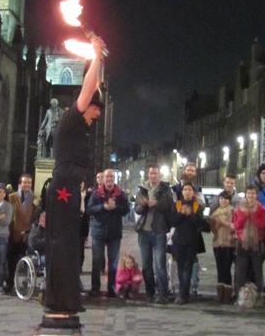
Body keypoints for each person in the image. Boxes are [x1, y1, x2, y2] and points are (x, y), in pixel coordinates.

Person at [44, 34, 105, 315]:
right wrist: (95, 55)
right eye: (96, 109)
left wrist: (98, 59)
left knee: (70, 245)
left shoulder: (79, 126)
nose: (97, 115)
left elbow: (95, 85)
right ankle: (60, 298)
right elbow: (90, 86)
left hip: (69, 187)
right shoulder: (71, 119)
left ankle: (66, 297)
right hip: (62, 187)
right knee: (64, 245)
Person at [87, 168, 130, 297]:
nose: (109, 179)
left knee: (113, 261)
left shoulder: (121, 194)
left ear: (114, 179)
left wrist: (115, 207)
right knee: (96, 260)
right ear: (103, 179)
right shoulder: (96, 194)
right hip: (99, 232)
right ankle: (95, 288)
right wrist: (103, 207)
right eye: (107, 177)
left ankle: (111, 288)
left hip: (114, 232)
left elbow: (126, 210)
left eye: (111, 177)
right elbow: (90, 209)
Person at [134, 165, 174, 304]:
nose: (153, 176)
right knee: (146, 264)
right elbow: (137, 209)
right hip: (144, 231)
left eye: (155, 173)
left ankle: (162, 292)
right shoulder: (142, 190)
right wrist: (144, 205)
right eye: (151, 173)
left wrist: (156, 203)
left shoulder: (165, 189)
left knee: (160, 264)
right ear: (148, 174)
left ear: (159, 175)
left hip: (159, 231)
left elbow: (167, 205)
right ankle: (150, 291)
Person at [167, 182, 206, 304]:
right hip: (178, 241)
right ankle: (183, 293)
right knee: (180, 267)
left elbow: (201, 223)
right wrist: (182, 214)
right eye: (185, 189)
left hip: (192, 241)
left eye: (190, 190)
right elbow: (172, 221)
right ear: (182, 192)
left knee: (188, 268)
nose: (187, 192)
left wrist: (190, 215)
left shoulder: (197, 206)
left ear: (193, 192)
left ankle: (184, 293)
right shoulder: (177, 205)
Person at [233, 186, 265, 304]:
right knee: (240, 271)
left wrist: (252, 214)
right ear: (246, 195)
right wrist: (244, 215)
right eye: (249, 193)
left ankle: (259, 297)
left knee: (257, 271)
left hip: (256, 243)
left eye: (253, 194)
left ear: (256, 195)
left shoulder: (261, 209)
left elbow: (262, 224)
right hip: (242, 242)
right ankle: (240, 296)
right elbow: (237, 225)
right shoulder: (240, 208)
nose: (251, 196)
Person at [6, 173, 37, 291]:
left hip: (27, 235)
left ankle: (25, 283)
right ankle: (9, 282)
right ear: (20, 184)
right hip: (13, 234)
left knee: (26, 261)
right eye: (24, 182)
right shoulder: (11, 197)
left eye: (29, 182)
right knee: (11, 260)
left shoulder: (35, 199)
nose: (27, 185)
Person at [210, 191, 236, 303]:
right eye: (221, 198)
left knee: (226, 268)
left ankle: (228, 293)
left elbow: (235, 227)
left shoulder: (233, 211)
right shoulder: (215, 212)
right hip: (217, 243)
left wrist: (223, 222)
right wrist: (214, 223)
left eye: (226, 199)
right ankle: (220, 293)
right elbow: (213, 230)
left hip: (229, 243)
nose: (223, 201)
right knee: (219, 268)